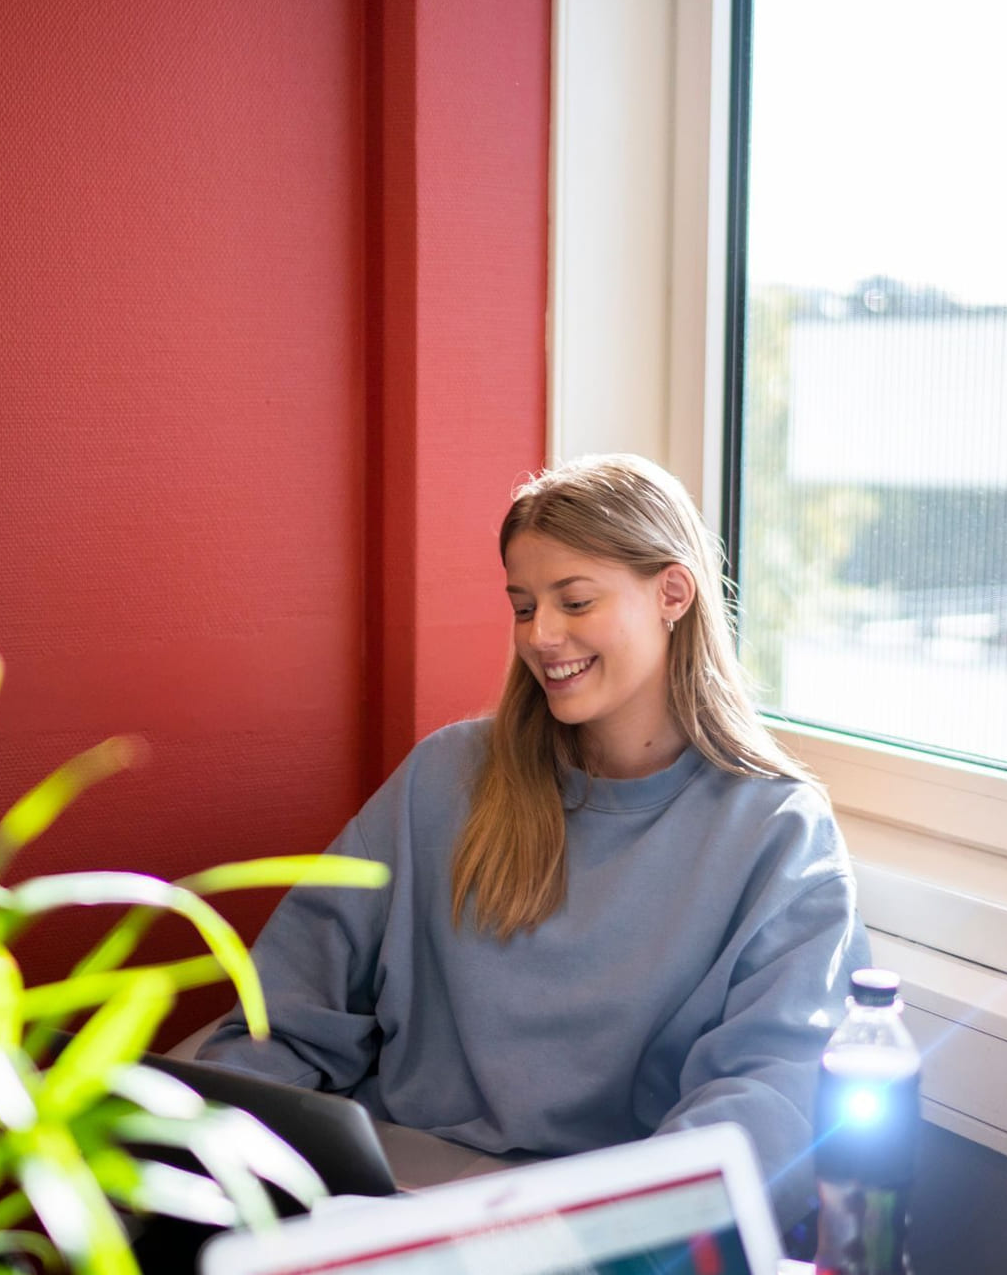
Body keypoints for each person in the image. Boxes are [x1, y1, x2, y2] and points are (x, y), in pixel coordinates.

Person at [197, 454, 869, 1227]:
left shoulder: (777, 832)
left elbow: (768, 1105)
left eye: (575, 601)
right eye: (523, 606)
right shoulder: (443, 778)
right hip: (383, 1202)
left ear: (672, 594)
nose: (542, 636)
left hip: (595, 1236)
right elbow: (286, 1006)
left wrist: (603, 1234)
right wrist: (202, 1154)